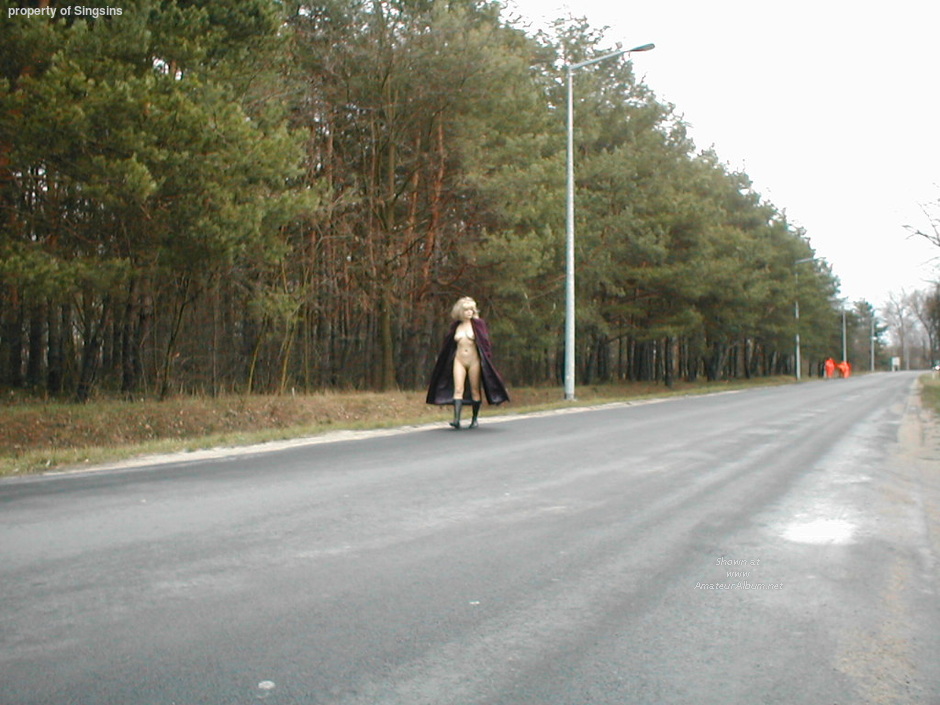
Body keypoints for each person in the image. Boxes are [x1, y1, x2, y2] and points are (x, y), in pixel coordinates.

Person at [426, 296, 510, 429]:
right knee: (458, 389)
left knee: (475, 389)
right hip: (459, 360)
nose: (469, 312)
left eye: (471, 309)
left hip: (474, 361)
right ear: (460, 311)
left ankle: (474, 419)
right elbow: (448, 345)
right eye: (466, 310)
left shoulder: (478, 325)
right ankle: (456, 419)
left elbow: (485, 343)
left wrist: (486, 359)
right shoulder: (456, 326)